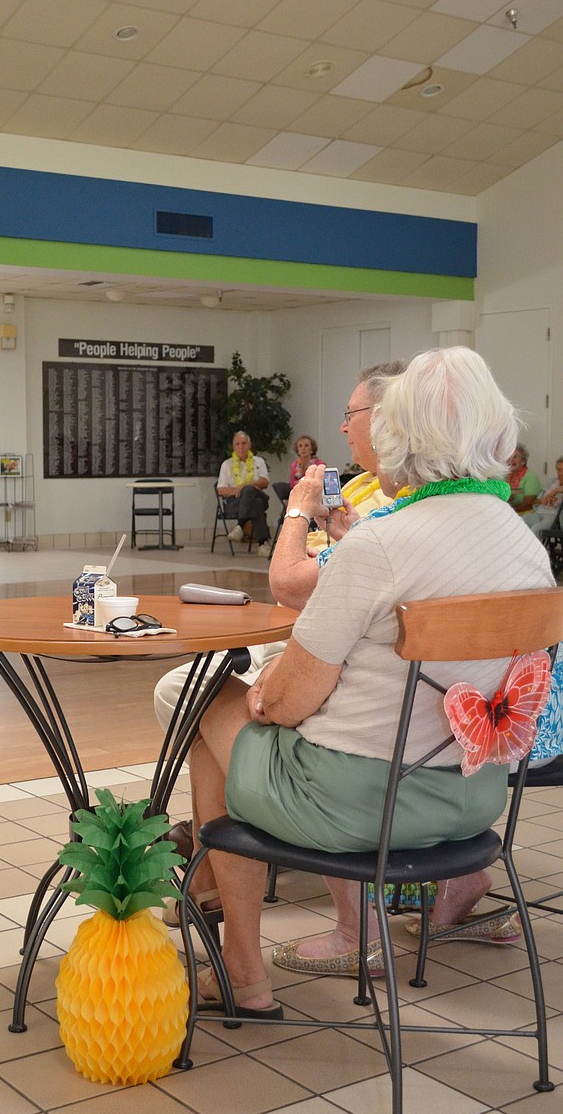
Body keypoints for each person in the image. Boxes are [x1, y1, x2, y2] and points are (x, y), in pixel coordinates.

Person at [183, 347, 555, 1012]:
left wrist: (266, 691)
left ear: (398, 432)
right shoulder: (526, 547)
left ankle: (241, 959)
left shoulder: (380, 543)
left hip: (355, 807)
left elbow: (288, 701)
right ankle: (223, 918)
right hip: (474, 798)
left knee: (204, 701)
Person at [154, 361, 404, 730]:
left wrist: (299, 509)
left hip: (324, 650)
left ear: (387, 419)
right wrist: (338, 544)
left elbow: (290, 585)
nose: (343, 425)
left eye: (350, 413)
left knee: (180, 690)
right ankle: (247, 530)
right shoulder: (367, 487)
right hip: (311, 631)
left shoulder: (396, 507)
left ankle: (255, 781)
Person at [218, 431, 272, 558]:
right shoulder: (227, 464)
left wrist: (246, 486)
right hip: (234, 501)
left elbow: (265, 482)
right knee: (256, 503)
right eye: (237, 444)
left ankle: (240, 526)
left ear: (249, 445)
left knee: (250, 490)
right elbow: (221, 490)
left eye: (243, 443)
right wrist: (240, 491)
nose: (241, 447)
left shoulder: (258, 461)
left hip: (259, 495)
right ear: (233, 446)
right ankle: (263, 544)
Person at [522, 457, 563, 538]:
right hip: (539, 512)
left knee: (535, 529)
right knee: (520, 522)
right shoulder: (551, 482)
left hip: (552, 516)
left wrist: (556, 491)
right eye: (559, 470)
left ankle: (534, 550)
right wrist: (543, 500)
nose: (561, 473)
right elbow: (536, 501)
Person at [507, 443, 543, 514]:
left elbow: (528, 504)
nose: (511, 460)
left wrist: (509, 511)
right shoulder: (506, 476)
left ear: (523, 461)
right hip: (509, 512)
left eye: (515, 457)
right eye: (509, 457)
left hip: (526, 513)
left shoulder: (531, 477)